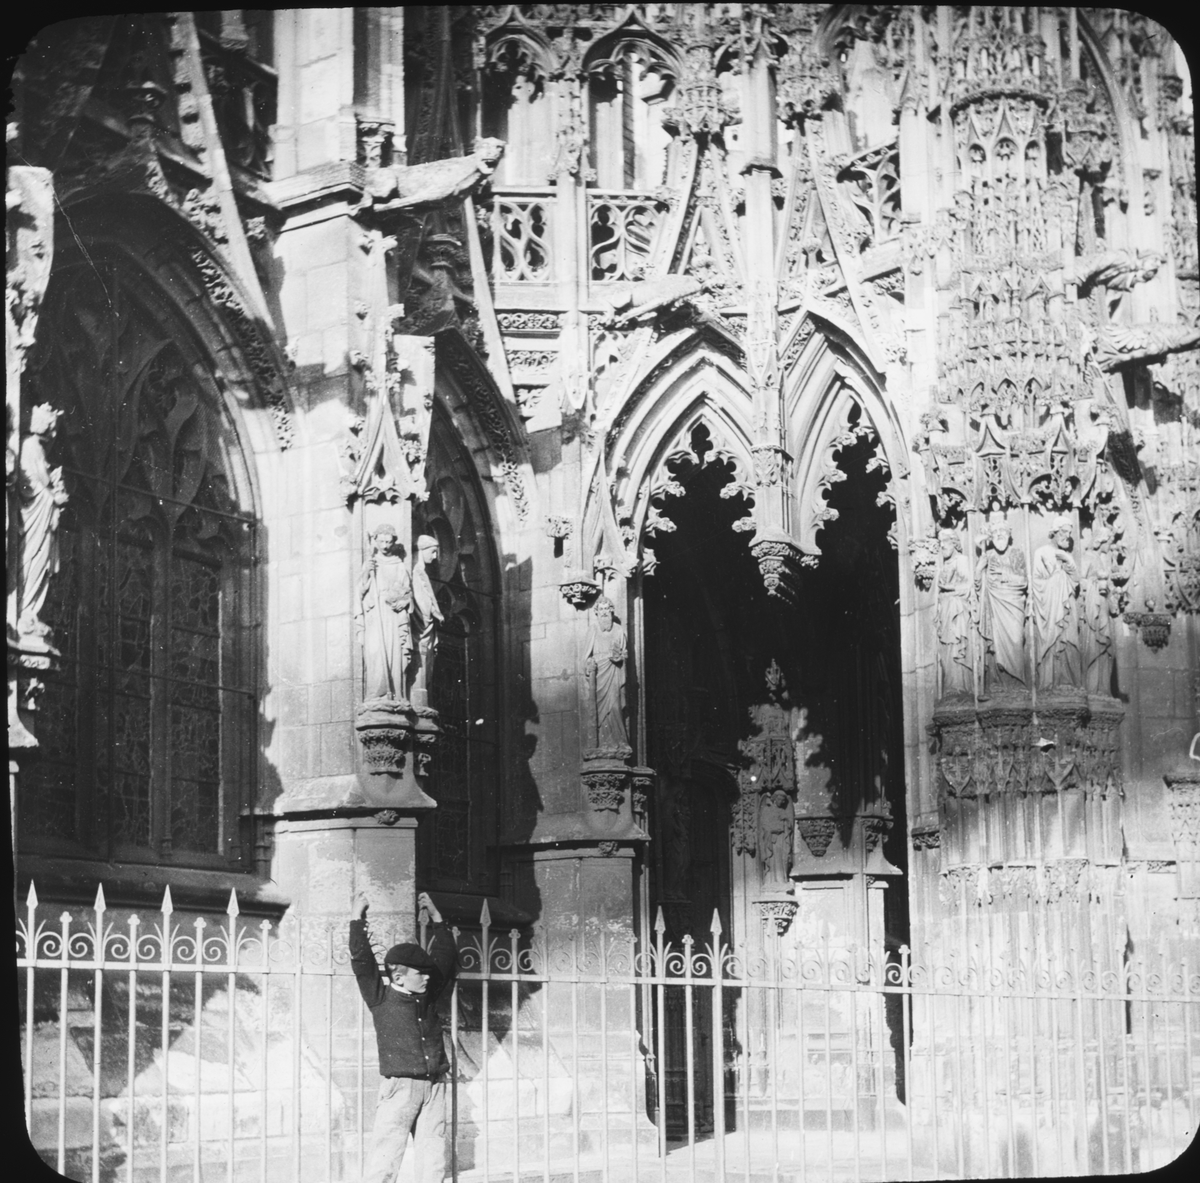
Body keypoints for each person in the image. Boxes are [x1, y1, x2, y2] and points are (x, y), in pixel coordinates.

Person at [350, 890, 458, 1183]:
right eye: (420, 973)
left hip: (434, 1085)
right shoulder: (380, 997)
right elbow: (362, 962)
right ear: (398, 977)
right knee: (386, 1157)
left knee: (433, 1157)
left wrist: (437, 918)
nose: (427, 977)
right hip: (400, 1088)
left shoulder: (427, 994)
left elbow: (445, 957)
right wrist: (357, 918)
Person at [358, 524, 413, 702]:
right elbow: (360, 590)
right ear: (375, 541)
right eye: (381, 541)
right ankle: (376, 692)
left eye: (389, 542)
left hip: (393, 614)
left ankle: (395, 692)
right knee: (374, 651)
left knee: (394, 653)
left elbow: (407, 591)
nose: (385, 546)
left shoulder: (399, 565)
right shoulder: (371, 563)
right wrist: (367, 572)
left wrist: (404, 601)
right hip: (376, 613)